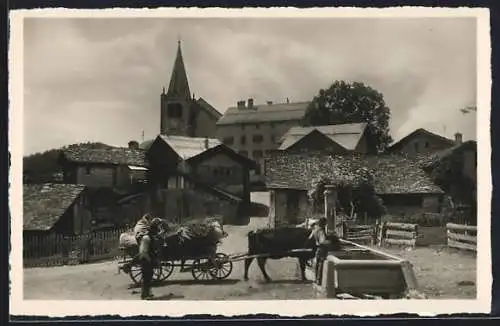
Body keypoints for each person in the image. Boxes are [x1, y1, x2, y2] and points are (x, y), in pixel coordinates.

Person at [133, 213, 156, 300]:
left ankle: (147, 294)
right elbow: (143, 251)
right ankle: (145, 295)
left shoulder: (146, 236)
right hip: (145, 260)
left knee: (148, 277)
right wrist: (149, 259)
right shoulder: (146, 238)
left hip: (146, 259)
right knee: (146, 278)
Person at [308, 217, 328, 285]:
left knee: (317, 264)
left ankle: (316, 279)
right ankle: (319, 281)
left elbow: (310, 237)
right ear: (323, 223)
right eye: (325, 223)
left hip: (317, 249)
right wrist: (329, 242)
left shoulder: (315, 230)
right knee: (321, 264)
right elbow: (323, 241)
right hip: (322, 248)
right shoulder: (321, 231)